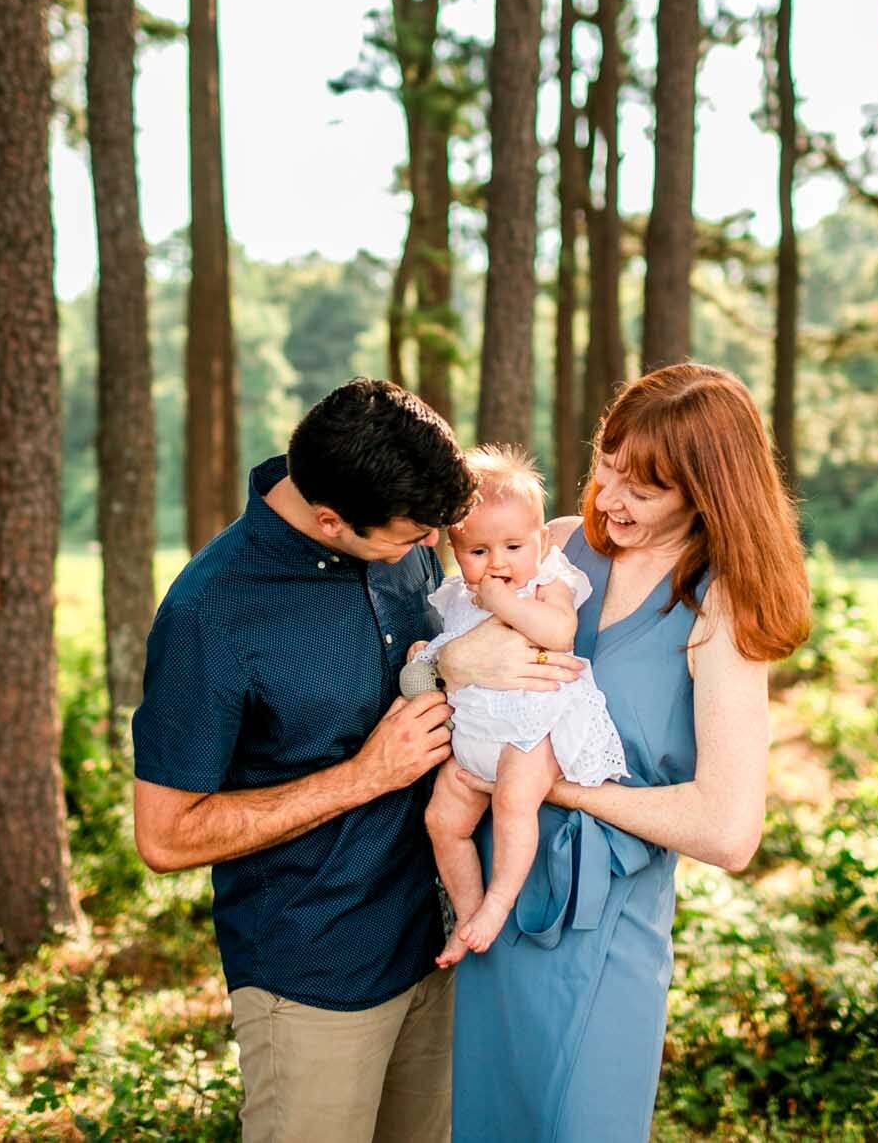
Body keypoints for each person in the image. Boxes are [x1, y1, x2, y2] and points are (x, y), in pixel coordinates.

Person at [128, 379, 578, 1143]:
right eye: (409, 540)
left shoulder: (399, 535)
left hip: (434, 949)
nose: (427, 554)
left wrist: (466, 659)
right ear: (330, 520)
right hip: (315, 978)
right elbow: (165, 836)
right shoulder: (210, 612)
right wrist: (363, 776)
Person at [446, 363, 813, 1142]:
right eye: (608, 466)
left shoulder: (719, 606)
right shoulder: (556, 546)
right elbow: (453, 647)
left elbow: (728, 828)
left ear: (707, 495)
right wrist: (449, 666)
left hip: (599, 927)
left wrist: (566, 790)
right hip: (489, 907)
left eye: (641, 489)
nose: (610, 499)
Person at [418, 445, 629, 969]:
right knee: (442, 820)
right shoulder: (455, 595)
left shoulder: (547, 581)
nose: (498, 564)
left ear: (539, 541)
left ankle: (497, 903)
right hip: (472, 740)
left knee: (515, 802)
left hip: (532, 729)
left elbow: (560, 632)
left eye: (513, 546)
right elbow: (444, 654)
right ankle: (468, 918)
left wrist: (507, 604)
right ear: (455, 549)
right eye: (479, 552)